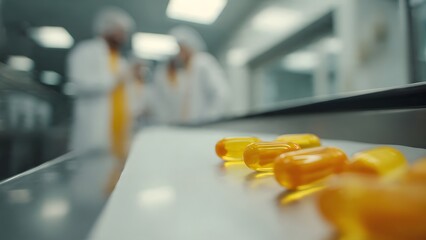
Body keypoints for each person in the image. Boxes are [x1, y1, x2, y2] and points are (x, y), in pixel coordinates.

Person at [67, 7, 134, 162]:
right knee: (89, 181)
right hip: (94, 136)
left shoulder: (121, 61)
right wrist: (116, 79)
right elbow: (80, 84)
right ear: (107, 29)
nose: (124, 37)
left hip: (119, 136)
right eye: (121, 31)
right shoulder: (85, 51)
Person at [154, 26, 230, 124]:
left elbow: (221, 93)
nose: (179, 54)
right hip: (189, 127)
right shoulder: (185, 71)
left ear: (190, 46)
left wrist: (210, 119)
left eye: (181, 49)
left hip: (204, 125)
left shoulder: (203, 61)